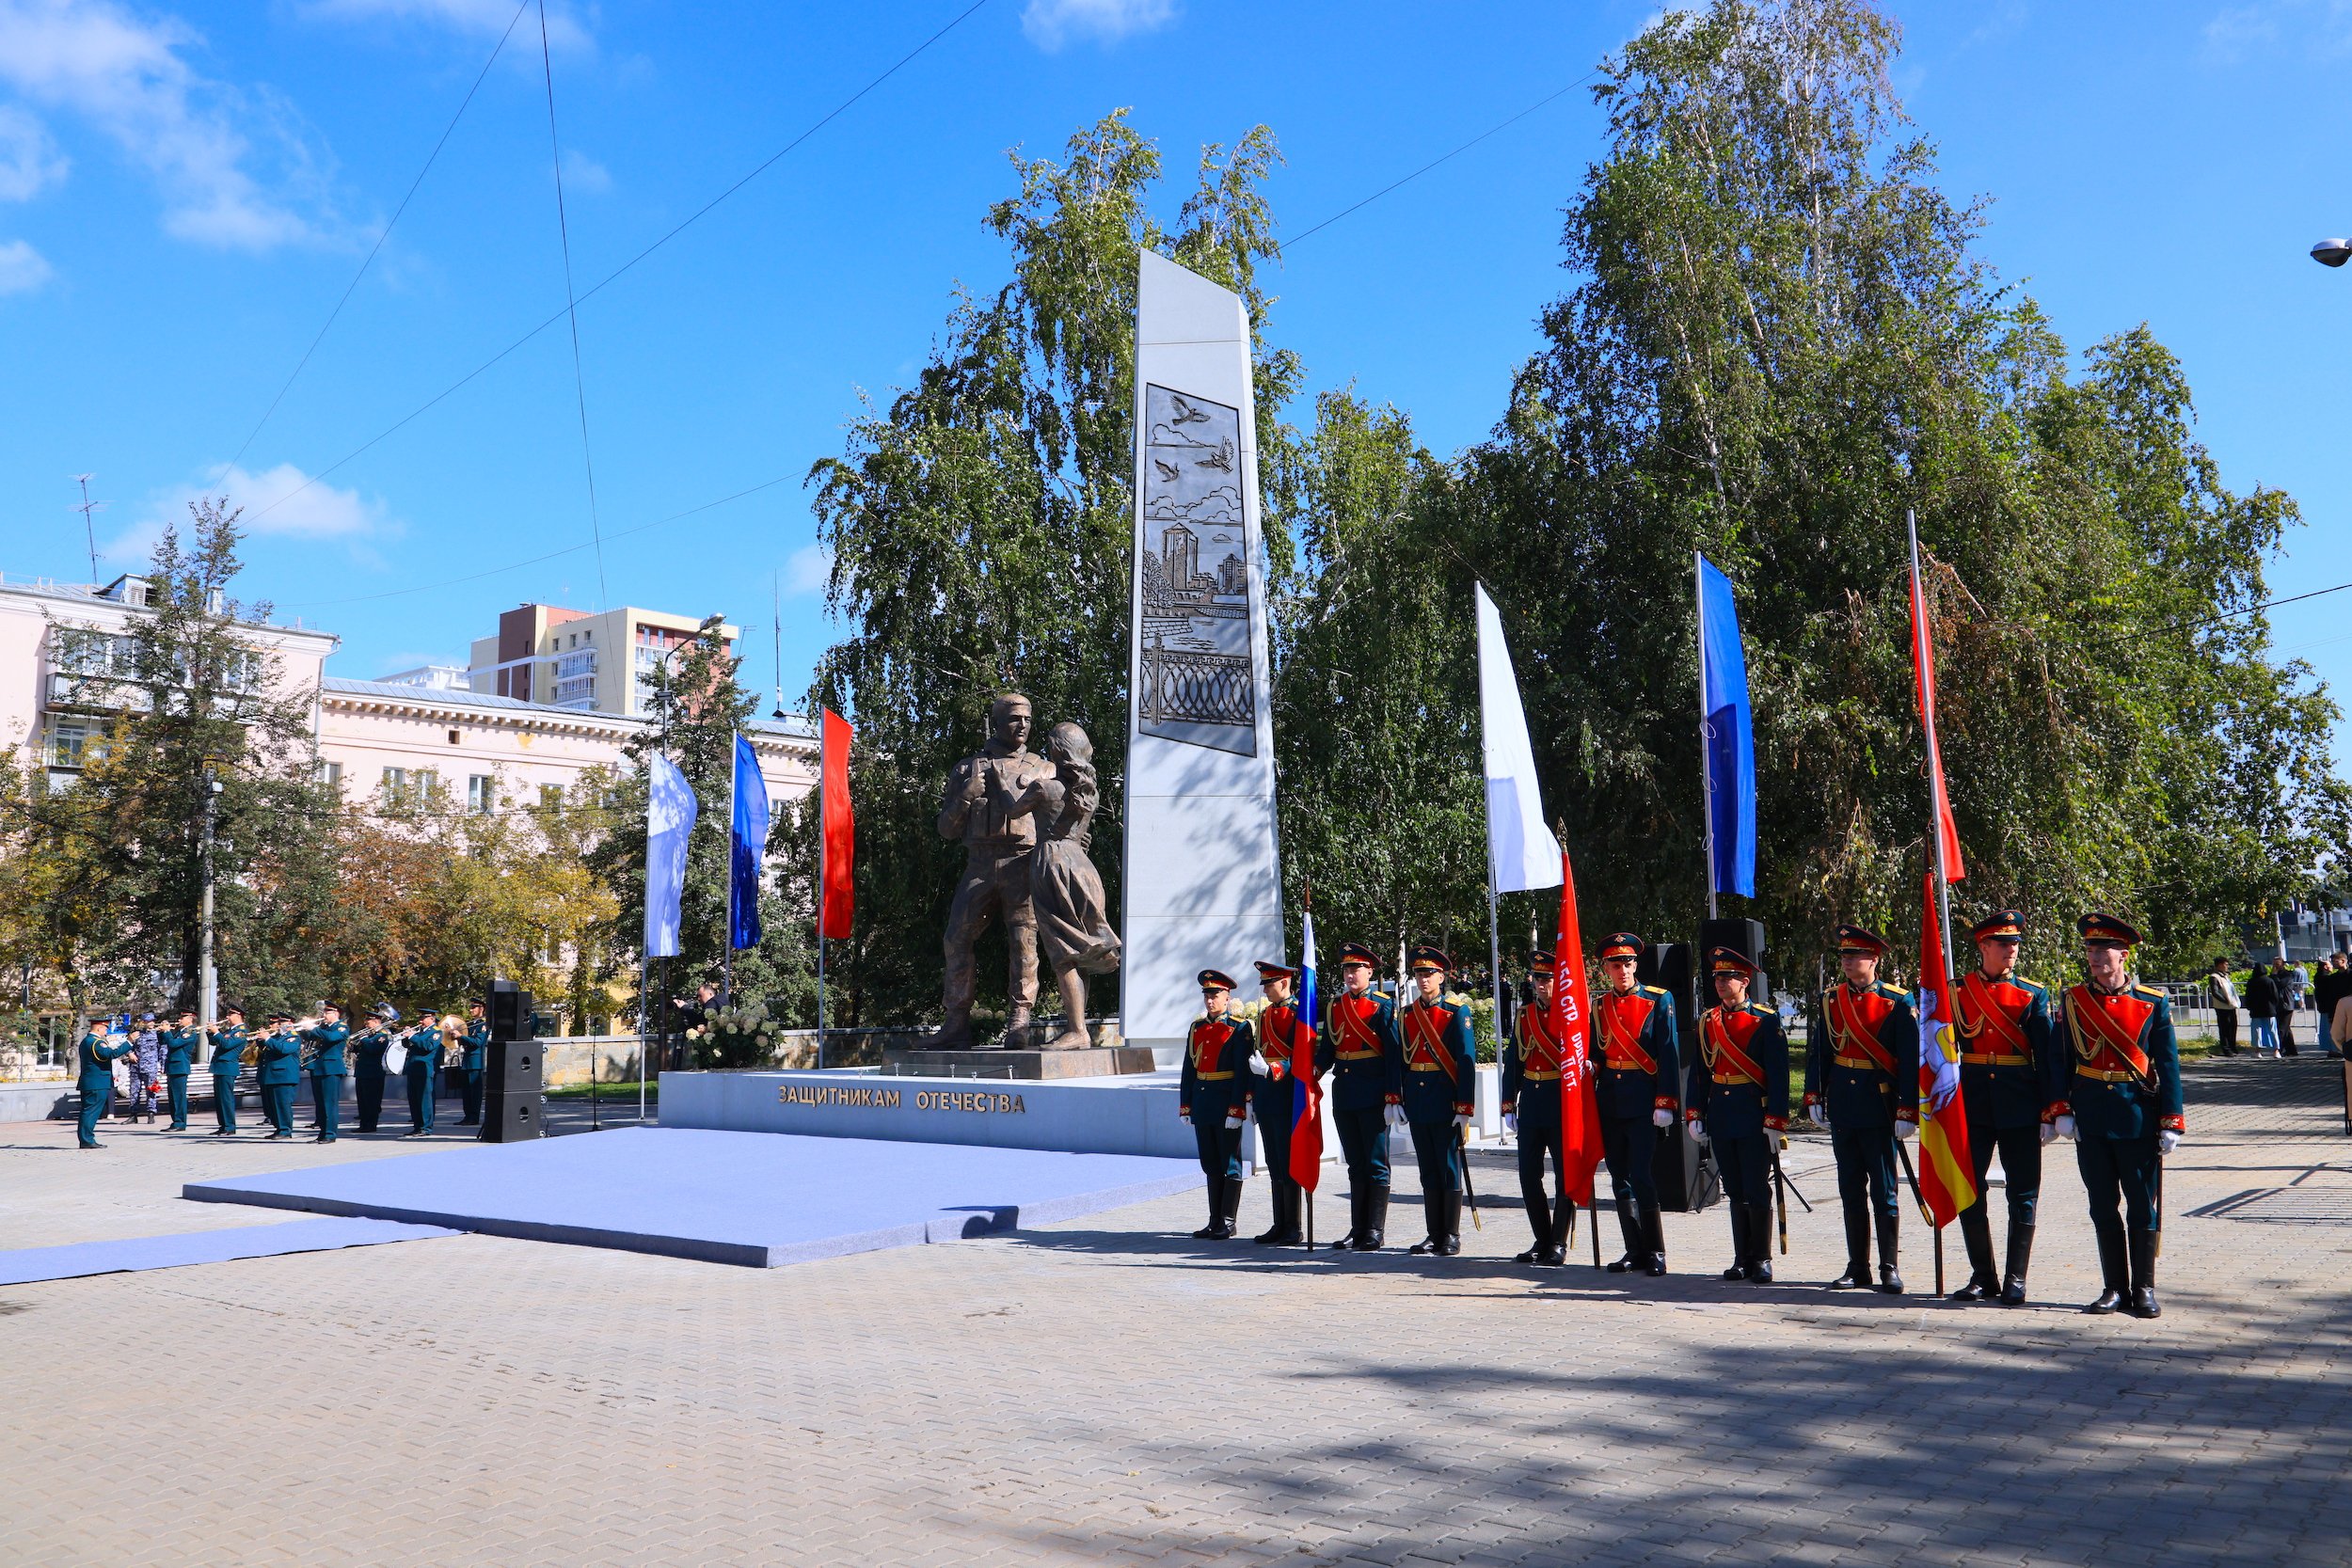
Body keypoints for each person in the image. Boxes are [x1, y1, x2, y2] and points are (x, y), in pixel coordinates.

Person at [2049, 912, 2184, 1320]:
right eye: (2090, 949)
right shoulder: (2073, 1000)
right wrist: (2061, 1109)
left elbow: (2170, 1064)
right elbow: (2061, 1060)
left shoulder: (2151, 1002)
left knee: (2143, 1205)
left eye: (2103, 949)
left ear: (2123, 955)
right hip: (2091, 1116)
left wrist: (2171, 1119)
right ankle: (2113, 1288)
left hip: (2137, 1116)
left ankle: (2143, 1288)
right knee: (2102, 1205)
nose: (2095, 956)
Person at [1948, 911, 2063, 1306]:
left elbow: (2047, 1057)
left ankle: (2016, 1277)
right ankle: (1983, 1276)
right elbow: (1937, 1053)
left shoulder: (2033, 994)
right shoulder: (1955, 991)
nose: (2012, 950)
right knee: (1969, 1190)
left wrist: (2051, 1110)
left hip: (2020, 1102)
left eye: (2015, 943)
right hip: (1972, 1104)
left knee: (2023, 1192)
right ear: (1983, 947)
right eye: (2003, 943)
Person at [931, 692, 1054, 1050]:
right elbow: (946, 829)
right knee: (956, 938)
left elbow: (1059, 823)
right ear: (996, 722)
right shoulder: (967, 769)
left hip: (1023, 863)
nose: (1023, 725)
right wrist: (965, 796)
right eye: (1015, 718)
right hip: (980, 865)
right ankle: (956, 1022)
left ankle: (1020, 1020)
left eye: (1028, 719)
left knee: (1024, 943)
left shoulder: (1044, 768)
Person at [1805, 926, 1920, 1294]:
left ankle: (1889, 1267)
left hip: (1880, 1105)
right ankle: (1858, 1267)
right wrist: (1814, 1096)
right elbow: (1819, 1054)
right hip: (1844, 1105)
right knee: (1850, 1189)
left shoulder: (1897, 1001)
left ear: (1875, 959)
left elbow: (1910, 1061)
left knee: (1884, 1190)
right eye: (1844, 955)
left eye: (1855, 955)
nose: (1848, 961)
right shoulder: (1830, 1000)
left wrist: (1907, 1110)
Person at [1010, 722, 1122, 1050]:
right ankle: (1079, 1028)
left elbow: (1011, 809)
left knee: (1063, 953)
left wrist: (994, 782)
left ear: (1057, 752)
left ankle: (1077, 1031)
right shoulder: (1089, 791)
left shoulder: (1043, 789)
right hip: (1083, 867)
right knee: (1079, 951)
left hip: (1053, 865)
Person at [1688, 948, 1789, 1283]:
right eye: (1717, 977)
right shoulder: (1708, 1020)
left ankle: (1761, 1257)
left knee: (1756, 1187)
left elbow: (1779, 1074)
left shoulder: (1765, 1019)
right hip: (1722, 1114)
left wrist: (1776, 1120)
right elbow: (1701, 1072)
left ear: (1745, 982)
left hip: (1752, 1115)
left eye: (1727, 977)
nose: (1720, 982)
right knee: (1734, 1188)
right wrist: (1695, 1113)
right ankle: (1741, 1257)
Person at [1591, 933, 1681, 1275]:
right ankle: (1633, 1249)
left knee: (1642, 1175)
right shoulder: (1599, 1007)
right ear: (1607, 970)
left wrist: (1666, 1102)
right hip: (1611, 1101)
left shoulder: (1659, 1000)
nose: (1623, 969)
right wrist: (1592, 1065)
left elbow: (1669, 1054)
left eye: (1628, 963)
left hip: (1645, 1099)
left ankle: (1655, 1250)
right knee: (1619, 1177)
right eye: (1616, 965)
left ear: (1636, 965)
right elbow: (1597, 1053)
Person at [1318, 943, 1403, 1250]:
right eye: (1346, 969)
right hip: (1345, 1093)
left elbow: (1394, 1054)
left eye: (1356, 969)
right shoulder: (1334, 1007)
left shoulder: (1382, 1005)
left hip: (1374, 1093)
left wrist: (1394, 1096)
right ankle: (1358, 1228)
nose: (1351, 974)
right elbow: (1327, 1051)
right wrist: (1308, 1075)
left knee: (1376, 1162)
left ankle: (1375, 1230)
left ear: (1370, 971)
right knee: (1355, 1164)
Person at [1398, 945, 1478, 1258]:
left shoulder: (1456, 1012)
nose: (1423, 979)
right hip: (1418, 1099)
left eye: (1429, 974)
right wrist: (1399, 1097)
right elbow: (1403, 1061)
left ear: (1441, 977)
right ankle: (1434, 1233)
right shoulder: (1407, 1014)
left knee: (1448, 1167)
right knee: (1427, 1169)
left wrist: (1465, 1106)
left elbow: (1467, 1060)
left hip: (1445, 1100)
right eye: (1419, 974)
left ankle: (1452, 1235)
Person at [1500, 950, 1571, 1266]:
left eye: (1548, 979)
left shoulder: (1570, 1015)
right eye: (1538, 979)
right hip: (1531, 1100)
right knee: (1529, 1176)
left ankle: (1558, 1241)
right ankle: (1541, 1239)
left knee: (1564, 1178)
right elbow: (1514, 1061)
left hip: (1559, 1103)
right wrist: (1507, 1102)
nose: (1542, 985)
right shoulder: (1524, 1015)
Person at [1178, 969, 1253, 1241]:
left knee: (1230, 1162)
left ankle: (1229, 1221)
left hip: (1225, 1103)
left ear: (1227, 996)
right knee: (1210, 1163)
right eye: (1207, 995)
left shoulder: (1239, 1027)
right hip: (1203, 1100)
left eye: (1215, 995)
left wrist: (1237, 1108)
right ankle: (1214, 1220)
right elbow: (1189, 1068)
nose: (1210, 1000)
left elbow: (1241, 1073)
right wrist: (1186, 1105)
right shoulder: (1197, 1028)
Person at [1246, 958, 1313, 1246]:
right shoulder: (1264, 1015)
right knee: (1274, 1161)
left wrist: (1274, 1070)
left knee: (1288, 1162)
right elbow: (1257, 1054)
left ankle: (1293, 1226)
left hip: (1288, 1094)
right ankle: (1279, 1222)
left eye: (1269, 984)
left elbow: (1304, 1054)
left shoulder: (1299, 1012)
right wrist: (1251, 1096)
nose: (1266, 990)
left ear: (1284, 983)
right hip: (1267, 1096)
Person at [74, 1018, 135, 1148]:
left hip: (93, 1082)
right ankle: (87, 1139)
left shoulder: (89, 1041)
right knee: (91, 1112)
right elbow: (111, 1054)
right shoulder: (95, 1042)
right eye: (105, 1028)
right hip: (96, 1083)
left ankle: (86, 1139)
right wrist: (128, 1042)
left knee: (89, 1111)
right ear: (99, 1028)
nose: (106, 1031)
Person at [302, 1003, 350, 1144]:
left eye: (327, 1013)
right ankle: (322, 1133)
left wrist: (314, 1027)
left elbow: (332, 1038)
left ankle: (330, 1134)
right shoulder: (323, 1028)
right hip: (319, 1068)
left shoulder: (341, 1027)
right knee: (321, 1104)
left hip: (332, 1069)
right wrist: (304, 1028)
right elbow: (310, 1036)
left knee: (330, 1103)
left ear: (336, 1013)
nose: (323, 1015)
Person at [255, 1012, 302, 1139]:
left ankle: (285, 1130)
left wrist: (268, 1039)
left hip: (284, 1076)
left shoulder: (293, 1037)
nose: (279, 1025)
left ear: (290, 1024)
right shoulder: (276, 1037)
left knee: (283, 1104)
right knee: (273, 1105)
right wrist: (260, 1040)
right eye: (279, 1023)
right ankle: (279, 1128)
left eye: (282, 1022)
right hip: (272, 1075)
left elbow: (283, 1049)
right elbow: (267, 1049)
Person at [352, 1006, 396, 1132]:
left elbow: (373, 1050)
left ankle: (371, 1125)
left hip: (373, 1073)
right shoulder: (369, 1036)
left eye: (368, 1021)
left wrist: (364, 1039)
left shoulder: (382, 1036)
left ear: (376, 1022)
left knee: (372, 1101)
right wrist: (353, 1046)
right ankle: (363, 1124)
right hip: (362, 1072)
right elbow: (360, 1050)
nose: (366, 1024)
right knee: (362, 1101)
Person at [206, 1004, 248, 1135]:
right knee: (219, 1099)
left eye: (230, 1015)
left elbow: (226, 1045)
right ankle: (223, 1125)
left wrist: (217, 1032)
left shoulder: (240, 1032)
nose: (227, 1017)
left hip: (228, 1068)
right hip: (219, 1067)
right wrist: (210, 1032)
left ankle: (230, 1126)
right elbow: (214, 1042)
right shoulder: (230, 1031)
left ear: (238, 1016)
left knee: (226, 1098)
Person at [402, 1007, 442, 1136]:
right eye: (419, 1018)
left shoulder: (436, 1032)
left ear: (432, 1019)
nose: (420, 1021)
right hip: (413, 1068)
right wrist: (407, 1035)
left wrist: (412, 1036)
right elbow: (406, 1045)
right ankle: (417, 1125)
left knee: (425, 1100)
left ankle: (426, 1127)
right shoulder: (418, 1032)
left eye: (423, 1018)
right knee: (413, 1099)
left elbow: (428, 1046)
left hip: (424, 1069)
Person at [161, 1006, 201, 1131]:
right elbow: (164, 1042)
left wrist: (167, 1032)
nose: (179, 1020)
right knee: (173, 1097)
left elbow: (173, 1044)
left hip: (180, 1066)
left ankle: (180, 1122)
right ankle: (175, 1121)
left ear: (190, 1019)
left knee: (179, 1097)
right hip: (173, 1066)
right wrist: (162, 1031)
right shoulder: (181, 1031)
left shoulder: (190, 1032)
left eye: (182, 1017)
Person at [122, 1013, 163, 1124]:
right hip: (136, 1066)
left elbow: (163, 1050)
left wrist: (162, 1065)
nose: (151, 1023)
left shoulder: (157, 1034)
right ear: (143, 1022)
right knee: (134, 1091)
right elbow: (126, 1046)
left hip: (150, 1067)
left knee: (151, 1090)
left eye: (153, 1021)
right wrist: (130, 1054)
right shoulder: (136, 1034)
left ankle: (151, 1113)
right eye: (148, 1021)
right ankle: (133, 1115)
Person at [458, 1001, 491, 1126]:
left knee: (474, 1092)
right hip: (467, 1060)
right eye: (471, 1007)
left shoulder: (484, 1024)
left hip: (476, 1061)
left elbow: (478, 1042)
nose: (471, 1010)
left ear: (481, 1008)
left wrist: (461, 1036)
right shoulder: (472, 1024)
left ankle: (474, 1117)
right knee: (466, 1092)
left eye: (473, 1007)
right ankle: (467, 1116)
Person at [2206, 958, 2240, 1058]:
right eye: (2225, 964)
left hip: (2231, 1006)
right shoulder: (2214, 977)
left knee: (2233, 1026)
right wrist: (2226, 1001)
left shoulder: (2225, 976)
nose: (2227, 966)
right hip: (2222, 1007)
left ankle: (2232, 1046)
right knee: (2224, 1028)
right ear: (2219, 965)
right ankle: (2226, 1049)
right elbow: (2215, 992)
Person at [2245, 962, 2280, 1058]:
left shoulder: (2251, 982)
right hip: (2269, 1009)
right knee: (2272, 1030)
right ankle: (2276, 1051)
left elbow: (2248, 996)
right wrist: (2274, 1006)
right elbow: (2275, 996)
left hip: (2256, 1010)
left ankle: (2257, 1051)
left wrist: (2249, 1007)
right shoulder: (2269, 981)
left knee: (2256, 1031)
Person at [2273, 958, 2300, 1057]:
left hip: (2286, 1005)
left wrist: (2274, 975)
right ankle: (2291, 1050)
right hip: (2278, 1004)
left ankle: (2279, 1049)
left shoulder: (2288, 975)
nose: (2275, 966)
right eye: (2274, 964)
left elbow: (2279, 984)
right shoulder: (2274, 975)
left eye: (2277, 964)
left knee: (2282, 1029)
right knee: (2286, 1028)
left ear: (2283, 964)